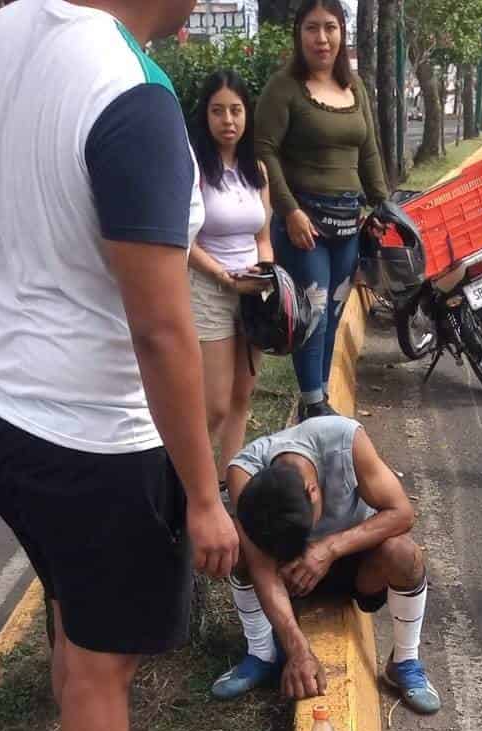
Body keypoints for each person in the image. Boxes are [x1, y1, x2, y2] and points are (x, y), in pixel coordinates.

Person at [0, 0, 238, 731]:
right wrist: (202, 493)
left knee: (78, 615)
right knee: (101, 655)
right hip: (87, 432)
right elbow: (162, 330)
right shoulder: (129, 94)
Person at [210, 415, 441, 715]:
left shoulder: (345, 441)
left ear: (313, 490)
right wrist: (298, 651)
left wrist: (329, 548)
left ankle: (404, 661)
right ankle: (261, 654)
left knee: (404, 553)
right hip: (289, 576)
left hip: (357, 566)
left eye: (303, 533)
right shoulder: (244, 472)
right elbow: (262, 568)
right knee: (238, 546)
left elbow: (402, 513)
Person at [253, 0, 388, 421]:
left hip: (349, 223)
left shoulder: (356, 88)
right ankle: (313, 402)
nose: (322, 38)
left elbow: (368, 151)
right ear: (300, 34)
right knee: (309, 312)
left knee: (332, 310)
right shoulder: (284, 88)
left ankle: (319, 395)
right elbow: (264, 152)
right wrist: (288, 211)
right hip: (303, 226)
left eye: (330, 27)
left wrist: (383, 203)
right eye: (312, 28)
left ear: (342, 33)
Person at [188, 71, 273, 481]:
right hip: (209, 290)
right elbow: (184, 244)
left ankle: (231, 487)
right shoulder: (195, 170)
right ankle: (193, 490)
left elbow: (263, 236)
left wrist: (266, 272)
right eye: (218, 110)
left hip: (254, 292)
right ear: (205, 116)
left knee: (242, 396)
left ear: (247, 116)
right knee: (214, 405)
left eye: (236, 110)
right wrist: (224, 277)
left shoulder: (257, 170)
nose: (228, 120)